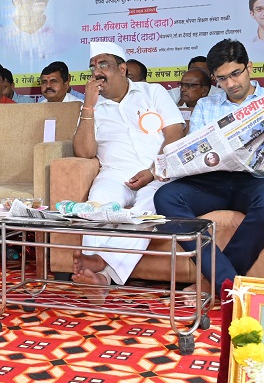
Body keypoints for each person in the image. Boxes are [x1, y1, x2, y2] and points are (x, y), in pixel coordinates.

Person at [155, 40, 264, 289]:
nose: (230, 84)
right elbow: (195, 153)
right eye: (222, 79)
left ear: (249, 67)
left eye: (235, 74)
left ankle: (216, 281)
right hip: (213, 181)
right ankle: (225, 282)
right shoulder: (206, 105)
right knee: (165, 197)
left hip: (257, 180)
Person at [71, 42, 184, 286]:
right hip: (114, 175)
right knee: (97, 204)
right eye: (93, 67)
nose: (97, 72)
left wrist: (153, 171)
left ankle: (101, 270)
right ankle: (96, 275)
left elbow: (175, 133)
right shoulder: (92, 106)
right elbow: (84, 152)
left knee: (149, 206)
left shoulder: (152, 92)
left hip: (157, 174)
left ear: (122, 69)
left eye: (103, 65)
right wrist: (88, 106)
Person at [170, 67, 212, 134]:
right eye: (182, 85)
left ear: (204, 90)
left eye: (188, 85)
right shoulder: (173, 110)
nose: (182, 89)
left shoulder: (214, 111)